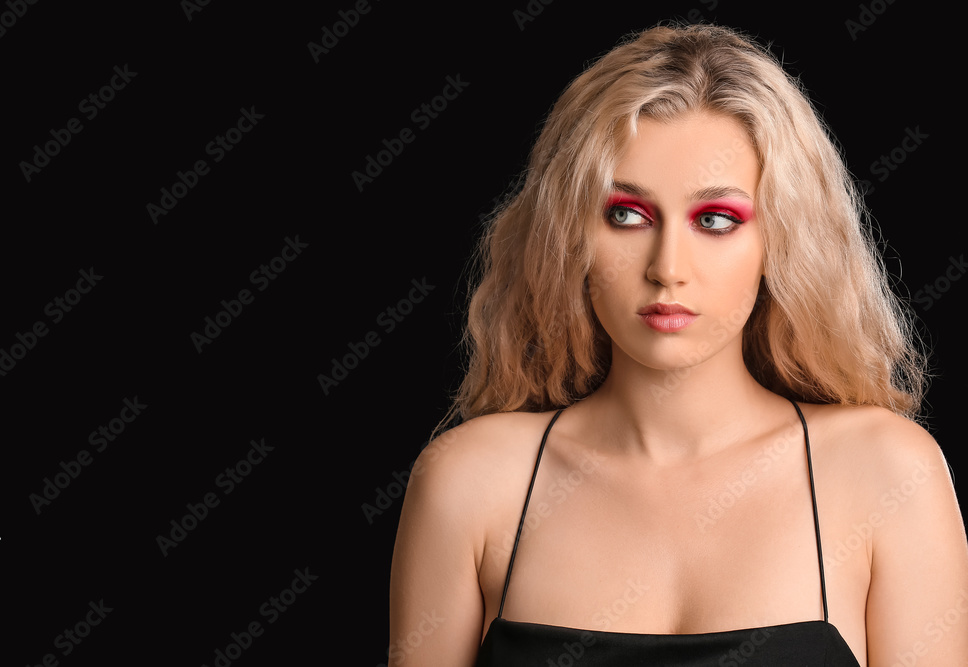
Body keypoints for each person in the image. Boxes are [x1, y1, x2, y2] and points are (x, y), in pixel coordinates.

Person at [388, 23, 968, 666]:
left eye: (716, 220)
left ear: (781, 240)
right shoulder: (470, 485)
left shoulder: (885, 474)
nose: (668, 267)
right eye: (626, 215)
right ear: (567, 233)